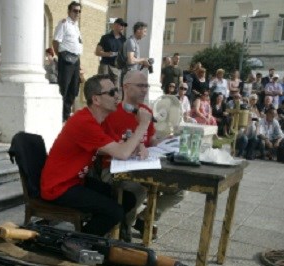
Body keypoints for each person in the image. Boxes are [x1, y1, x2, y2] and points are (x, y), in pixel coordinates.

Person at [41, 74, 149, 237]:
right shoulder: (84, 122)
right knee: (114, 212)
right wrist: (143, 124)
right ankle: (77, 242)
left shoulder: (100, 120)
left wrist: (139, 143)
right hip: (59, 187)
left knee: (128, 199)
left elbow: (120, 147)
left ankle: (98, 232)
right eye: (112, 93)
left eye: (117, 91)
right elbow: (123, 153)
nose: (117, 96)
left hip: (76, 181)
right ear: (96, 100)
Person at [102, 71, 183, 239]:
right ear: (125, 87)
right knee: (138, 190)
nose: (144, 89)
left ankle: (144, 218)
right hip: (115, 169)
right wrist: (135, 145)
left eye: (146, 85)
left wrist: (167, 142)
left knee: (179, 189)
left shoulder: (146, 111)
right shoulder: (112, 112)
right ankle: (123, 229)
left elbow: (151, 141)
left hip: (145, 167)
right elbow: (110, 146)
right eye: (140, 85)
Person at [53, 2, 83, 122]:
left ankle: (65, 116)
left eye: (79, 11)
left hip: (76, 59)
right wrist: (61, 56)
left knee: (73, 89)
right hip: (66, 58)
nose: (77, 13)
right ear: (69, 11)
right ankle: (58, 116)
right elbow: (56, 41)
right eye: (75, 11)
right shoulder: (64, 23)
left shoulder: (76, 26)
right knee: (63, 88)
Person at [95, 18, 127, 85]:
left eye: (124, 25)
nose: (122, 27)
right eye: (121, 25)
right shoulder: (105, 37)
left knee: (115, 89)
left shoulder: (124, 40)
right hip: (105, 66)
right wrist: (109, 54)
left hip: (116, 68)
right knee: (103, 86)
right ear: (115, 25)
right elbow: (97, 52)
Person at [122, 22, 151, 86]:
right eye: (145, 31)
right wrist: (143, 59)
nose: (145, 34)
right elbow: (131, 60)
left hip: (133, 72)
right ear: (138, 30)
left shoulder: (135, 42)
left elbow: (134, 60)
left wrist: (143, 63)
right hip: (130, 73)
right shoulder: (131, 42)